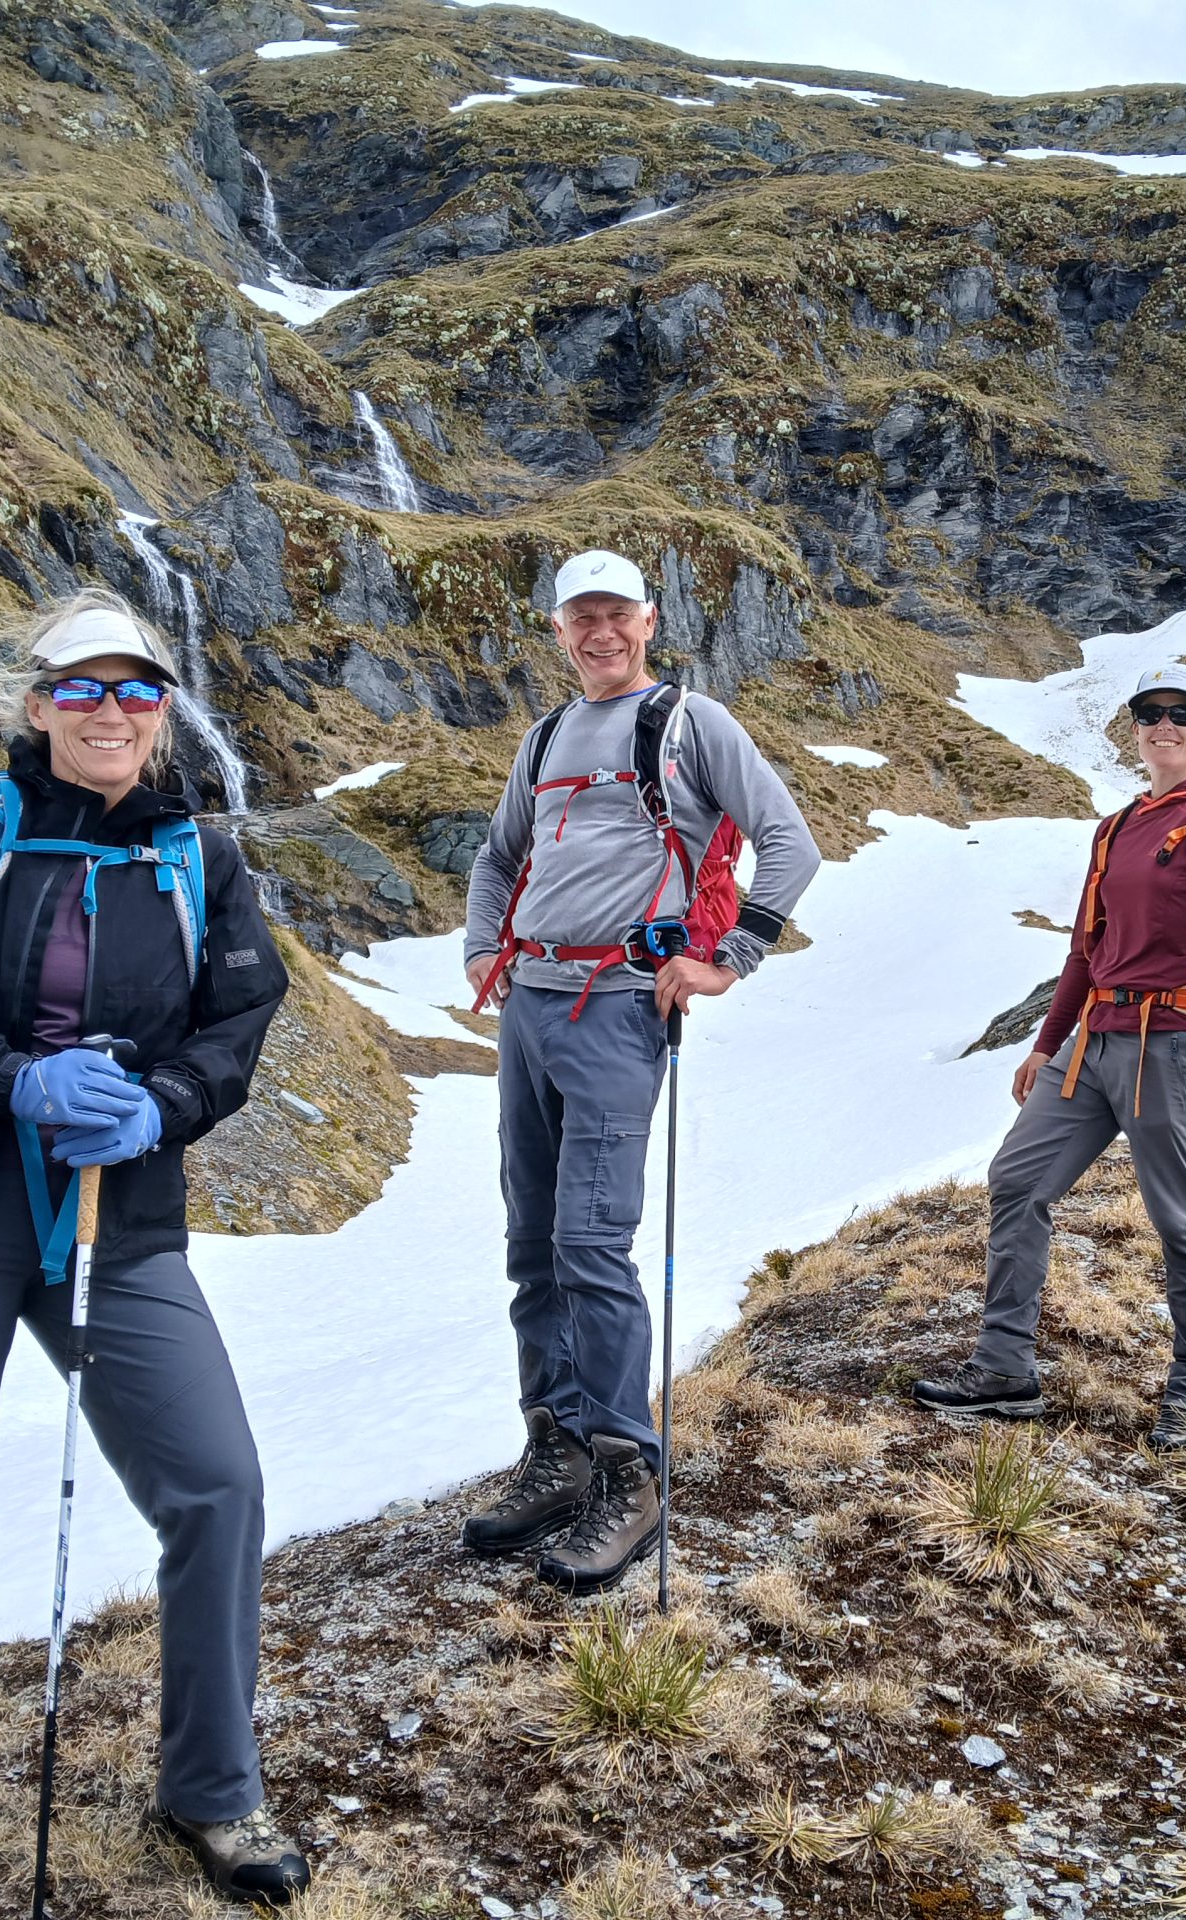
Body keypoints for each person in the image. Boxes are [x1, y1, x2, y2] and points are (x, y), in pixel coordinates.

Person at [0, 592, 308, 1918]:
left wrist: (162, 1103)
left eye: (137, 691)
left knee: (215, 1485)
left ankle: (214, 1788)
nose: (111, 711)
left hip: (119, 1216)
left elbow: (242, 1012)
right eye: (84, 690)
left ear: (164, 713)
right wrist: (14, 1081)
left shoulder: (201, 857)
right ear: (39, 706)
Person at [459, 549, 821, 1593]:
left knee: (588, 1244)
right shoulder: (543, 737)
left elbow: (788, 844)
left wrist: (727, 958)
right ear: (560, 629)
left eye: (616, 614)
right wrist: (486, 949)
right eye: (581, 618)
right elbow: (496, 859)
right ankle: (558, 1453)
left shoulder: (690, 724)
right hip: (527, 1006)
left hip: (618, 1007)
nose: (599, 633)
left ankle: (628, 1474)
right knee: (534, 1245)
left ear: (649, 621)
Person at [913, 663, 1186, 1450]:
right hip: (1095, 1041)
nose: (1165, 725)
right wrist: (1047, 1045)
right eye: (1150, 713)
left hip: (1177, 1043)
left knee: (1183, 1217)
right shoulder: (1112, 829)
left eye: (1183, 713)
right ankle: (1005, 1369)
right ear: (1135, 729)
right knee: (1017, 1179)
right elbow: (1086, 950)